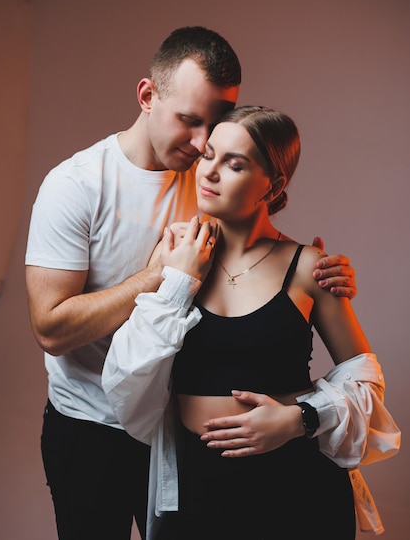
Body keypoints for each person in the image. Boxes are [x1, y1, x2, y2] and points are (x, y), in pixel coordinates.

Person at [25, 28, 358, 540]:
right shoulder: (76, 186)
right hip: (92, 423)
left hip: (178, 429)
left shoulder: (204, 170)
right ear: (146, 96)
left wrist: (316, 267)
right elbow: (50, 329)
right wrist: (158, 275)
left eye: (216, 122)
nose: (204, 143)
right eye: (189, 121)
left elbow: (254, 233)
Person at [102, 106, 400, 540]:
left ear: (273, 185)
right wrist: (179, 280)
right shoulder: (174, 254)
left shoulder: (309, 267)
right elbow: (128, 379)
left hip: (297, 487)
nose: (211, 172)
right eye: (209, 156)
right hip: (198, 487)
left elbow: (366, 383)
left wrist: (297, 420)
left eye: (234, 164)